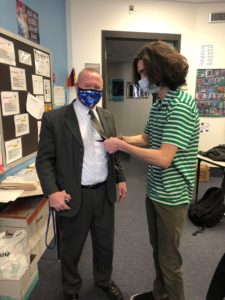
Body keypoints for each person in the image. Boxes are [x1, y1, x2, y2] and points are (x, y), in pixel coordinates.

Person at [103, 41, 200, 300]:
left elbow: (163, 158)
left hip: (172, 195)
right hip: (155, 190)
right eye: (141, 74)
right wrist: (122, 137)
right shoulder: (159, 102)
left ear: (162, 70)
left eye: (145, 73)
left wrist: (122, 146)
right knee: (157, 249)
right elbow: (146, 139)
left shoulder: (179, 106)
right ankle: (160, 294)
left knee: (169, 260)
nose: (142, 79)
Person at [36, 68, 127, 300]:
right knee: (71, 248)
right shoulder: (55, 119)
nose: (92, 91)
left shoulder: (106, 116)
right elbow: (44, 160)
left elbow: (112, 153)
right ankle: (71, 289)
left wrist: (120, 178)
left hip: (104, 194)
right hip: (74, 195)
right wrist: (52, 192)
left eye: (97, 88)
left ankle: (104, 280)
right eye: (87, 86)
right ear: (77, 87)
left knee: (105, 244)